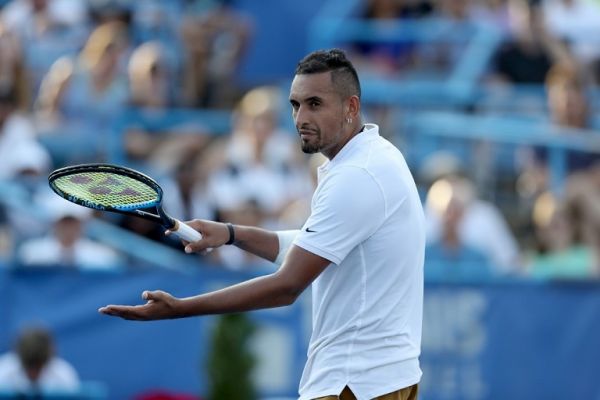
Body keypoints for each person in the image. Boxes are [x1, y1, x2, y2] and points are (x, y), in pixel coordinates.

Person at [100, 49, 425, 400]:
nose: (300, 117)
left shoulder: (355, 176)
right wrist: (230, 234)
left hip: (353, 383)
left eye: (315, 104)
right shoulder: (377, 155)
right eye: (295, 105)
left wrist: (180, 308)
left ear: (351, 107)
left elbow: (287, 286)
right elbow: (311, 245)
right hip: (386, 379)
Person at [0, 326, 80, 393]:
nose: (33, 373)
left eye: (38, 367)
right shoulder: (3, 371)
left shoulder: (63, 375)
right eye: (29, 366)